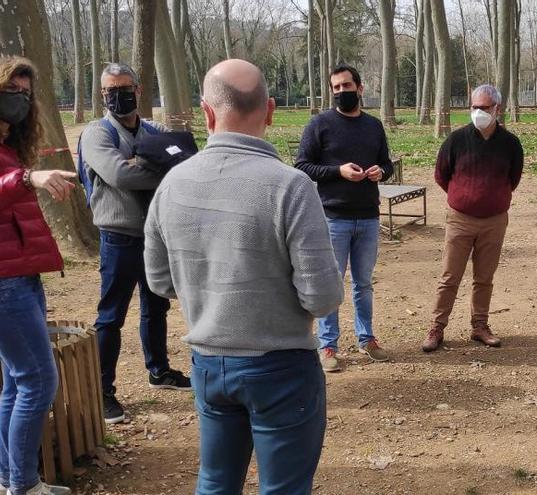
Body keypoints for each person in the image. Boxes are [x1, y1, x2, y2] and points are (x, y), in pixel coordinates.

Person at [144, 59, 343, 495]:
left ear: (207, 113)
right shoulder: (291, 187)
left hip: (208, 364)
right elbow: (323, 297)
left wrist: (210, 292)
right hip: (282, 366)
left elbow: (159, 281)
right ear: (270, 110)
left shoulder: (171, 185)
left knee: (215, 481)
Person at [78, 63, 190, 424]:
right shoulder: (97, 134)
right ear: (102, 95)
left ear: (139, 91)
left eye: (124, 88)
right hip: (119, 236)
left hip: (155, 235)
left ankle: (159, 370)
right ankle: (103, 391)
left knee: (156, 306)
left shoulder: (153, 129)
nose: (118, 95)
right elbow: (118, 175)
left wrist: (147, 163)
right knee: (111, 315)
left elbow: (183, 165)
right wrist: (157, 165)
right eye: (111, 90)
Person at [0, 55, 75, 495]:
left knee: (14, 382)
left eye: (26, 95)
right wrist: (29, 178)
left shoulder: (10, 145)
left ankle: (13, 479)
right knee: (38, 380)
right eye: (12, 92)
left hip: (21, 276)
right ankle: (24, 487)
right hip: (5, 283)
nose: (20, 102)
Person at [295, 64, 394, 372]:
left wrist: (381, 172)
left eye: (346, 86)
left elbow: (386, 164)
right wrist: (338, 171)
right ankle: (328, 346)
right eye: (336, 88)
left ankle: (367, 339)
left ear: (360, 88)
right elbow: (302, 165)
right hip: (333, 218)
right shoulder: (319, 124)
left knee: (363, 283)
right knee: (332, 284)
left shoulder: (374, 126)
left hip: (367, 217)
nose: (341, 92)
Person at [421, 84, 524, 352]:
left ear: (497, 109)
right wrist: (463, 197)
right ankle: (437, 327)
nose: (478, 112)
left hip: (495, 221)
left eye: (484, 108)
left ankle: (480, 325)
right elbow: (441, 175)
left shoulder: (511, 144)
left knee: (484, 277)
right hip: (460, 219)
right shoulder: (455, 141)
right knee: (449, 276)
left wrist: (492, 198)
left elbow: (513, 178)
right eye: (474, 107)